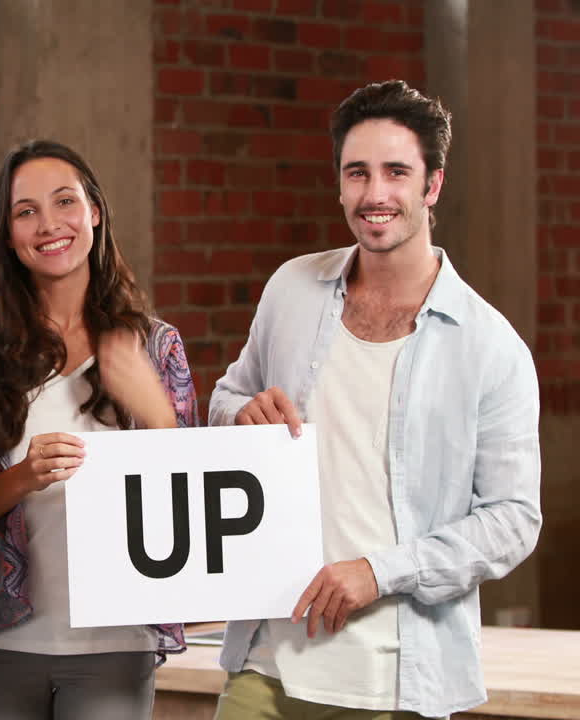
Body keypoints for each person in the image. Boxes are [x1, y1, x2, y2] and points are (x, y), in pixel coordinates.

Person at [210, 80, 542, 720]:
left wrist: (380, 570)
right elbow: (227, 396)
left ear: (432, 185)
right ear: (339, 183)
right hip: (270, 659)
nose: (375, 194)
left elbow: (512, 518)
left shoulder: (490, 347)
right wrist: (240, 413)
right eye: (357, 173)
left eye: (396, 172)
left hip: (397, 677)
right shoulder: (291, 288)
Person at [0, 140, 198, 720]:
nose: (49, 223)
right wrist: (24, 477)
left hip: (116, 640)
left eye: (65, 202)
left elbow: (190, 509)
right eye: (25, 211)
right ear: (8, 235)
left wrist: (157, 418)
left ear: (95, 212)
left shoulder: (155, 346)